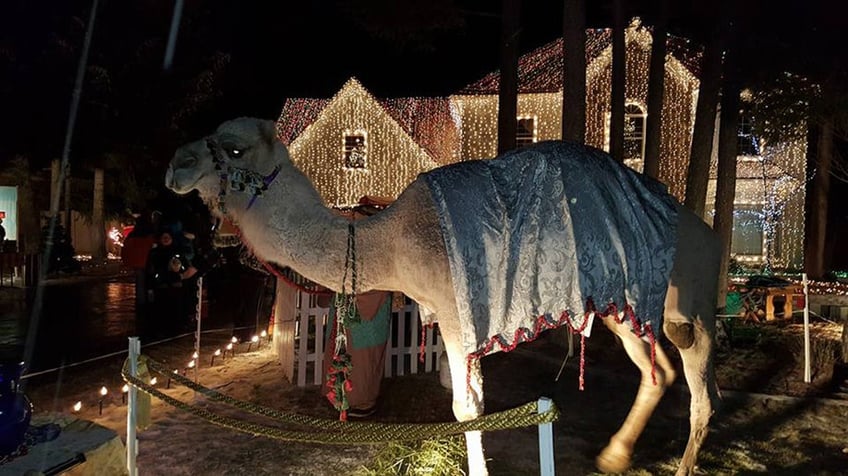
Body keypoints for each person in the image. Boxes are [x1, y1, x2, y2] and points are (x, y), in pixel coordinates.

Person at [145, 230, 198, 335]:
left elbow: (186, 266)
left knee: (176, 308)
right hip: (161, 285)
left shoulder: (177, 251)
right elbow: (150, 270)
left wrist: (179, 272)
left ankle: (177, 329)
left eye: (168, 237)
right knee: (162, 309)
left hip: (176, 285)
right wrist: (150, 286)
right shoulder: (155, 253)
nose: (165, 239)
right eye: (163, 237)